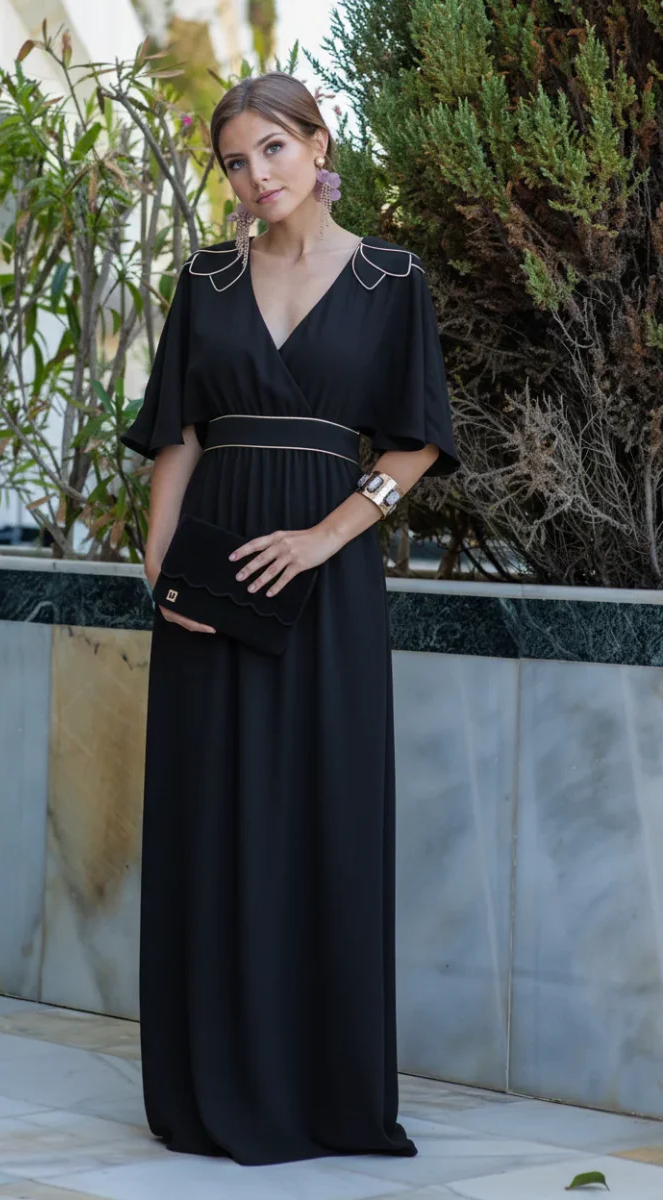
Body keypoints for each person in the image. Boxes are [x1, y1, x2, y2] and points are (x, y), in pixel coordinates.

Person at [119, 71, 460, 1168]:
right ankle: (208, 1083)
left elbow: (415, 442)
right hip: (214, 571)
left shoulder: (391, 278)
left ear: (319, 144)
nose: (255, 175)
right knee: (210, 814)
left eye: (272, 148)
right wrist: (160, 559)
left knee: (324, 811)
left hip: (328, 581)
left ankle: (323, 1094)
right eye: (234, 160)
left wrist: (324, 537)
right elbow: (178, 431)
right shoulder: (205, 279)